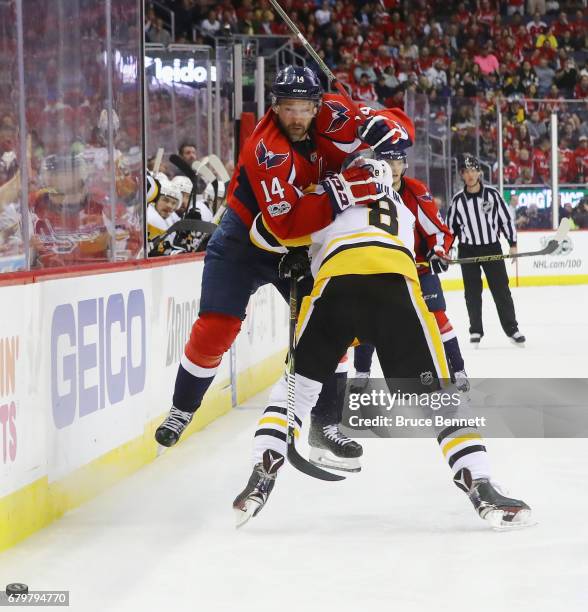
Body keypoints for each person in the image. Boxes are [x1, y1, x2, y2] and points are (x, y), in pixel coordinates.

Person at [233, 155, 531, 530]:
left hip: (336, 289)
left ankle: (263, 470)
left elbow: (263, 232)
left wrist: (295, 247)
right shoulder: (401, 208)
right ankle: (480, 483)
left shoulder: (329, 199)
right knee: (441, 398)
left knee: (295, 391)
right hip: (395, 292)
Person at [154, 65, 415, 472]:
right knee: (215, 330)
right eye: (287, 107)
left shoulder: (333, 112)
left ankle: (325, 424)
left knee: (333, 324)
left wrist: (388, 125)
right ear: (274, 107)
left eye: (304, 107)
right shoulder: (265, 148)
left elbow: (400, 126)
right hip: (246, 243)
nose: (296, 117)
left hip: (300, 243)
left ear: (316, 105)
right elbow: (287, 221)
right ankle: (182, 408)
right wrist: (347, 189)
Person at [351, 150, 469, 393]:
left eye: (398, 162)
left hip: (417, 270)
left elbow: (438, 230)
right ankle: (361, 372)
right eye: (387, 162)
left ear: (404, 164)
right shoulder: (364, 188)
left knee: (436, 318)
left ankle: (457, 369)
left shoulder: (415, 190)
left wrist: (438, 251)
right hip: (378, 269)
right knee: (367, 320)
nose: (393, 168)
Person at [447, 154, 525, 348]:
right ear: (462, 175)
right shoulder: (457, 201)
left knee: (501, 291)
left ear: (479, 172)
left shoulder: (492, 195)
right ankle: (475, 330)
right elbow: (450, 229)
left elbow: (505, 220)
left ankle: (512, 329)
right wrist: (446, 250)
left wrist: (512, 243)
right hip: (467, 250)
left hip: (492, 247)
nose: (471, 175)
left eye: (474, 170)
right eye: (466, 172)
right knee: (472, 293)